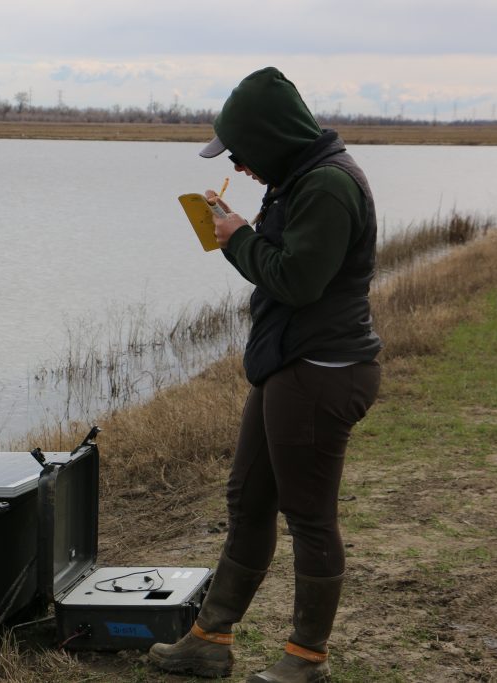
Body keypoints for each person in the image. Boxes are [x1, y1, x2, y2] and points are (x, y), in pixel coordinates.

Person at [148, 67, 382, 682]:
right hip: (287, 364)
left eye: (243, 152)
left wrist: (237, 237)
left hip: (323, 370)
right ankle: (208, 641)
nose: (241, 165)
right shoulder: (299, 179)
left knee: (308, 514)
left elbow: (298, 281)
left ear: (270, 137)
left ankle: (306, 659)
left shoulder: (329, 186)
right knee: (248, 501)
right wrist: (243, 232)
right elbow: (287, 263)